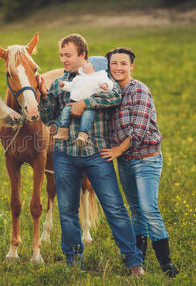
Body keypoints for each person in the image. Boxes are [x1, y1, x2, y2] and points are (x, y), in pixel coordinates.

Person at [37, 34, 144, 276]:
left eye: (68, 55)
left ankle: (133, 261)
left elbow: (114, 95)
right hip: (65, 156)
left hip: (97, 154)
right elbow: (48, 116)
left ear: (82, 55)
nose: (63, 60)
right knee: (67, 211)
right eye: (61, 55)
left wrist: (85, 103)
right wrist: (44, 97)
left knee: (114, 208)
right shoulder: (59, 83)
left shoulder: (101, 78)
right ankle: (74, 262)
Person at [100, 47, 179, 278]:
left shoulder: (140, 90)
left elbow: (139, 131)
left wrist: (116, 150)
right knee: (136, 210)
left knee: (148, 208)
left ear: (131, 66)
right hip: (126, 161)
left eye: (123, 63)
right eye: (114, 63)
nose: (118, 68)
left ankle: (166, 265)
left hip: (146, 159)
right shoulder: (111, 92)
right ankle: (139, 259)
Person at [54, 69, 114, 146]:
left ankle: (82, 135)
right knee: (65, 112)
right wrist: (64, 85)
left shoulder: (100, 76)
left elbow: (110, 84)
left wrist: (105, 85)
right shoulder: (79, 77)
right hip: (74, 100)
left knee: (87, 117)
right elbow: (72, 85)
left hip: (89, 103)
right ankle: (63, 131)